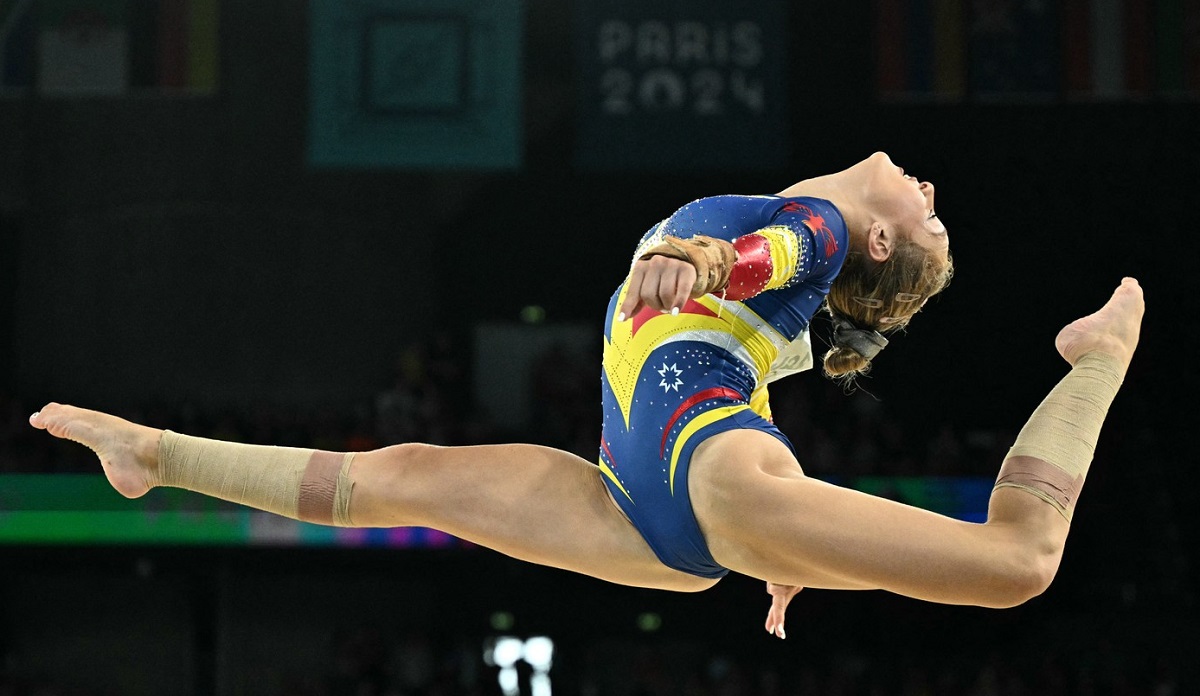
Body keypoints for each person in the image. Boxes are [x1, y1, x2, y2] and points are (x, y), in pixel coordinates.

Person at [29, 153, 1143, 641]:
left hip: (706, 481)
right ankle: (158, 454)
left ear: (882, 236)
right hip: (647, 509)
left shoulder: (823, 235)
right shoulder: (796, 307)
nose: (933, 192)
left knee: (1019, 564)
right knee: (408, 477)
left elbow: (766, 253)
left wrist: (697, 270)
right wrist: (802, 540)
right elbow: (771, 310)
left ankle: (1097, 356)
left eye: (930, 219)